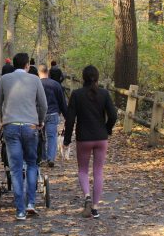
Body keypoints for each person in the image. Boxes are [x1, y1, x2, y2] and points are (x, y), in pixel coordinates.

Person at [0, 52, 48, 221]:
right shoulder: (35, 80)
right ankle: (31, 203)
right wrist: (39, 122)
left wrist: (2, 120)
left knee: (16, 169)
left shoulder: (4, 80)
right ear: (27, 66)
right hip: (30, 127)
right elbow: (43, 105)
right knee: (32, 164)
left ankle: (20, 211)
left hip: (11, 126)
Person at [63, 65, 117, 219]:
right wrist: (107, 129)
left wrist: (67, 140)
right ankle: (95, 207)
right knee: (98, 171)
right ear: (97, 78)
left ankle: (87, 195)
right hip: (101, 138)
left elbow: (70, 119)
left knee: (83, 170)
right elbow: (113, 115)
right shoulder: (104, 94)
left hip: (84, 138)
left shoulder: (77, 94)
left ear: (83, 78)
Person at [38, 64, 67, 167]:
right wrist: (67, 116)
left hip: (39, 114)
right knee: (52, 137)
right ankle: (51, 158)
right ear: (48, 73)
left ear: (39, 72)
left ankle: (42, 157)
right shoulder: (56, 85)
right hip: (53, 113)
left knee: (40, 136)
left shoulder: (36, 84)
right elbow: (62, 102)